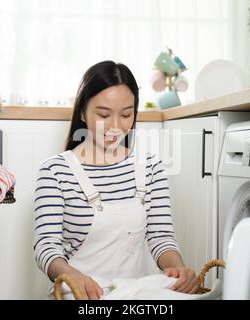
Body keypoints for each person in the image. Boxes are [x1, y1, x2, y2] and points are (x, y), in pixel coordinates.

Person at [33, 61, 199, 300]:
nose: (115, 126)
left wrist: (177, 269)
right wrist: (72, 275)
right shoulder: (55, 171)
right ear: (82, 112)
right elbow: (46, 246)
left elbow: (161, 236)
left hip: (137, 296)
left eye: (126, 115)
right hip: (80, 297)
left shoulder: (150, 167)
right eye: (103, 114)